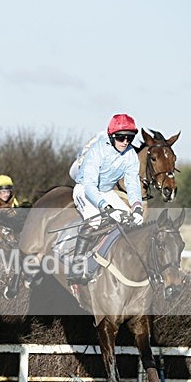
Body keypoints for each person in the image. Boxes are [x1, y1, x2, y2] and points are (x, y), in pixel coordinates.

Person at [68, 113, 145, 283]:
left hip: (107, 191)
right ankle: (76, 266)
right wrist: (106, 208)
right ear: (111, 136)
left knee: (130, 222)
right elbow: (89, 186)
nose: (125, 142)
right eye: (121, 137)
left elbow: (132, 183)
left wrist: (137, 207)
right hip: (85, 190)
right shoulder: (97, 151)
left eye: (130, 138)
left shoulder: (131, 154)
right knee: (95, 222)